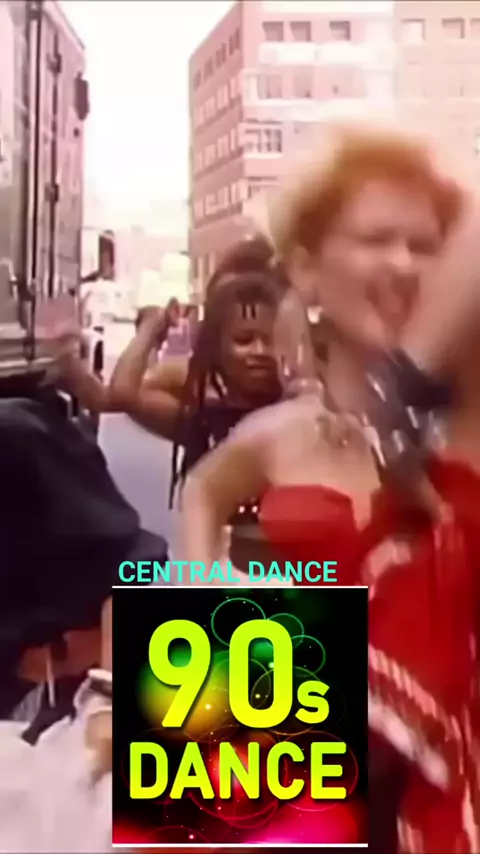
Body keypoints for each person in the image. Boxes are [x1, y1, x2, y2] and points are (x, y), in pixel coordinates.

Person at [178, 120, 480, 851]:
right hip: (290, 782)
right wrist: (198, 595)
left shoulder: (467, 421)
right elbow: (203, 491)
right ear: (307, 270)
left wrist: (402, 384)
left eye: (426, 245)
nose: (404, 264)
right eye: (377, 239)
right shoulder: (279, 434)